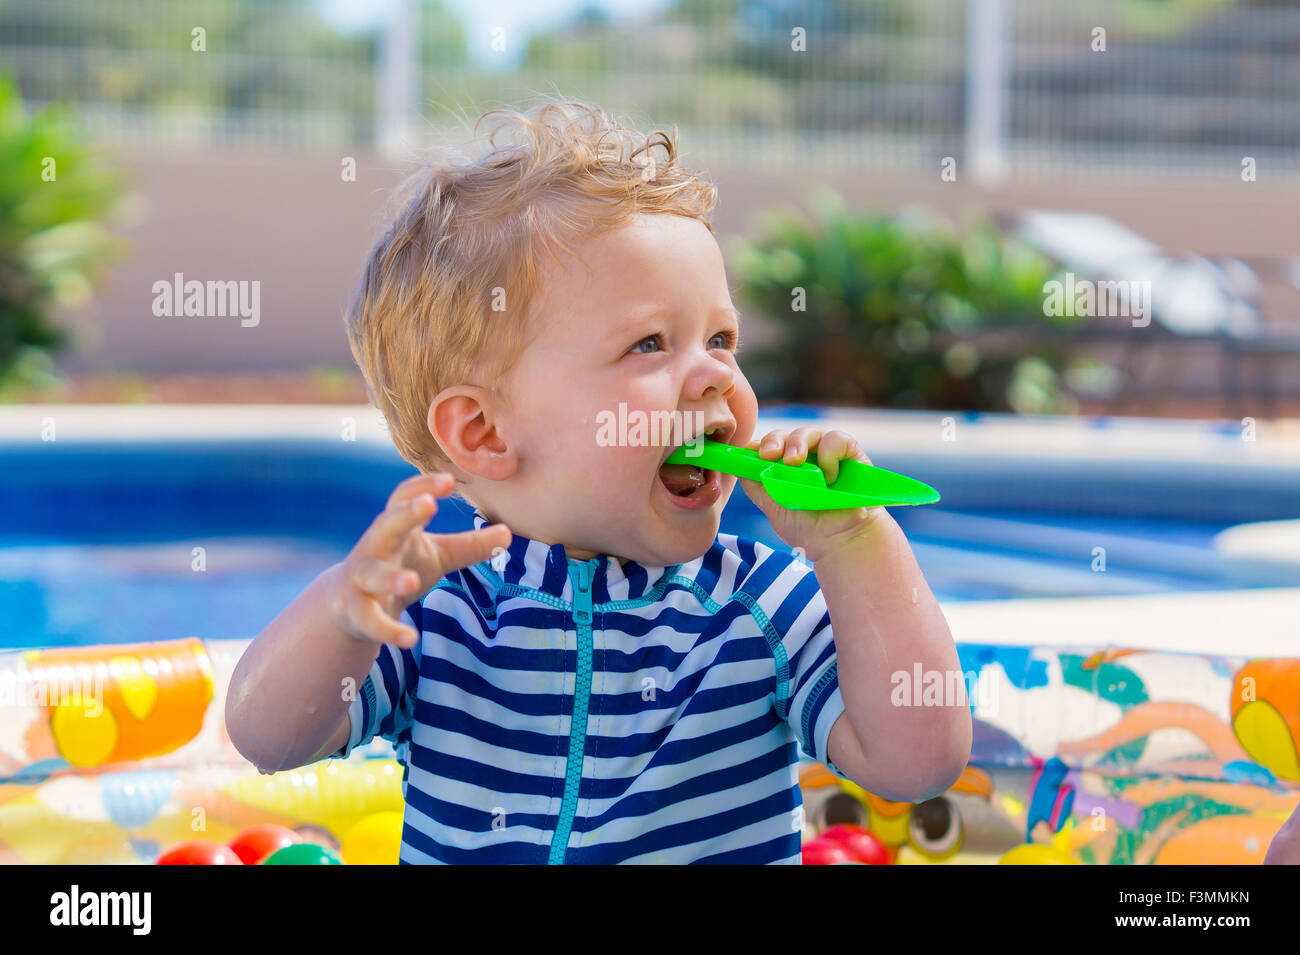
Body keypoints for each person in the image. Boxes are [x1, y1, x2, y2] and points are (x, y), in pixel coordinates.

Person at [225, 101, 970, 863]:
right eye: (650, 343)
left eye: (721, 337)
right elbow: (266, 739)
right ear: (484, 432)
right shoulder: (437, 617)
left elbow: (919, 762)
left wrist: (856, 540)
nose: (717, 374)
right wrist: (343, 616)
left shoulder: (759, 605)